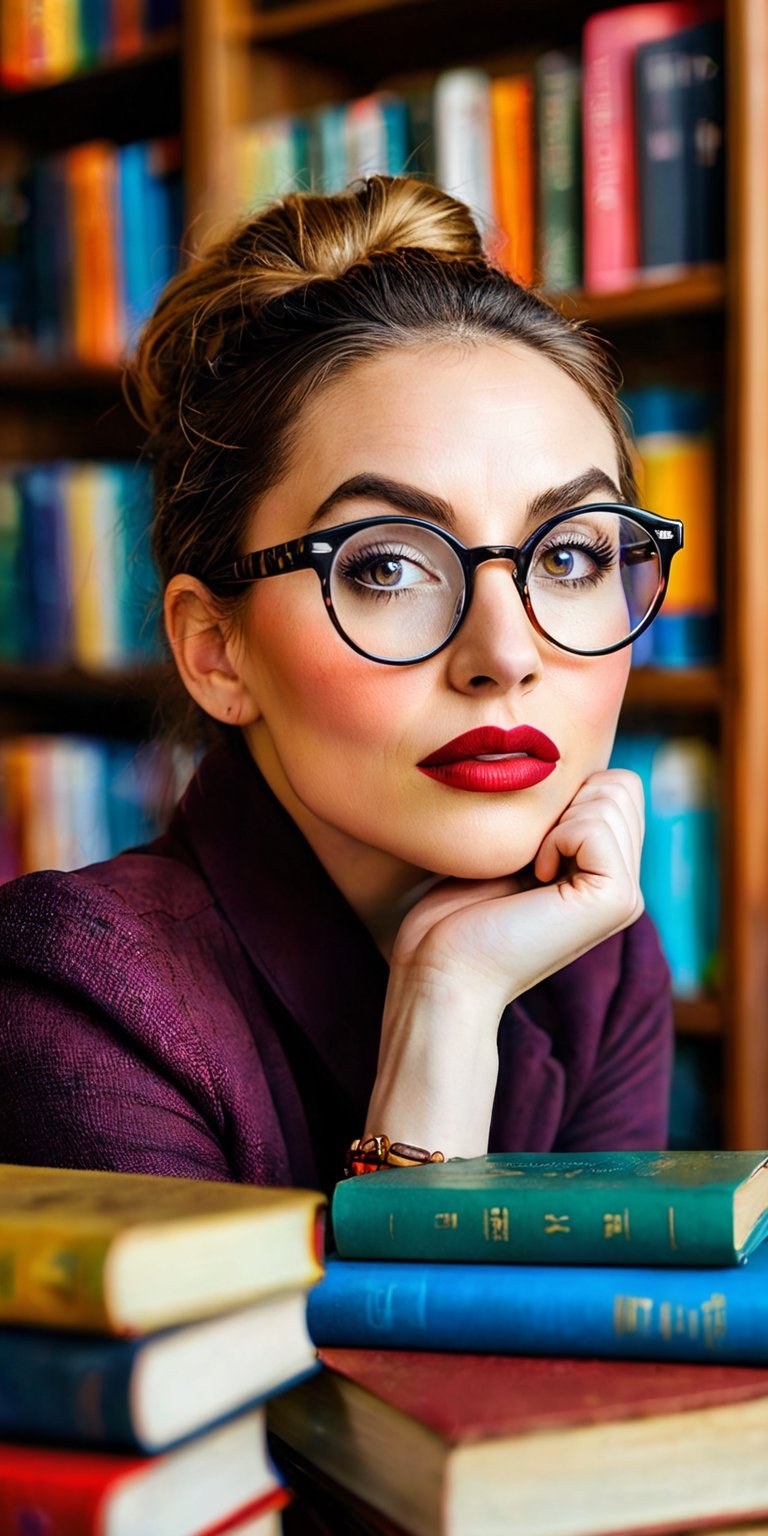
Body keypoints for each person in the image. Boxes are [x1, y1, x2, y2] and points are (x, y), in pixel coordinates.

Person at [0, 176, 682, 1193]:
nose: (506, 651)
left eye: (572, 556)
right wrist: (445, 1009)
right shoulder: (77, 995)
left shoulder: (594, 961)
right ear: (215, 651)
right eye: (387, 565)